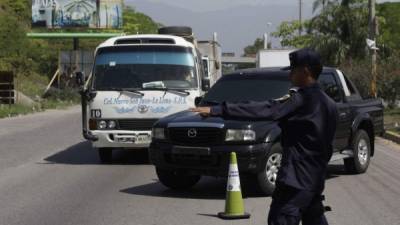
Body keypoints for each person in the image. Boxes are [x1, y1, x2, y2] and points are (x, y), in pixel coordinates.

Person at [190, 48, 338, 225]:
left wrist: (218, 110)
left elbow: (266, 109)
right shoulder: (330, 105)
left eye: (293, 69)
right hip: (314, 181)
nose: (290, 74)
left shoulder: (301, 100)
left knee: (279, 220)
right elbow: (328, 147)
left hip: (295, 182)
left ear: (305, 71)